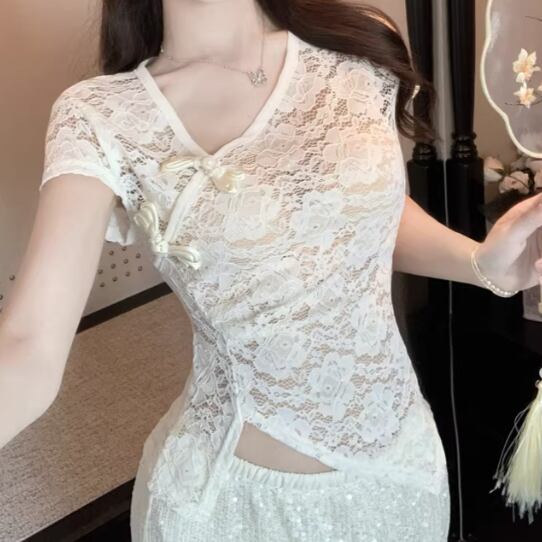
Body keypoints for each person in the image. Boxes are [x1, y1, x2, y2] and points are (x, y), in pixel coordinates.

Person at [2, 1, 542, 540]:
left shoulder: (356, 44)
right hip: (236, 508)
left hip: (404, 476)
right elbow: (28, 344)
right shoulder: (100, 115)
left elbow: (353, 210)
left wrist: (478, 263)